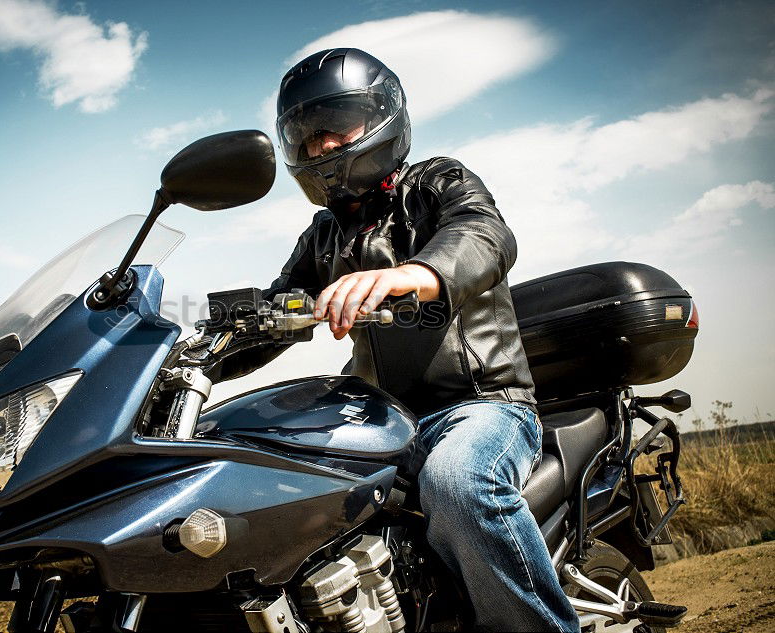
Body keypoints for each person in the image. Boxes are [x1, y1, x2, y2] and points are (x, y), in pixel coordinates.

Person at [208, 48, 580, 632]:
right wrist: (189, 358)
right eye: (305, 139)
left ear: (383, 115)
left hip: (479, 407)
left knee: (457, 482)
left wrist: (416, 273)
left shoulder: (436, 183)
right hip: (380, 423)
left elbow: (485, 235)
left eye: (335, 127)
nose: (320, 148)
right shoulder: (324, 234)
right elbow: (282, 308)